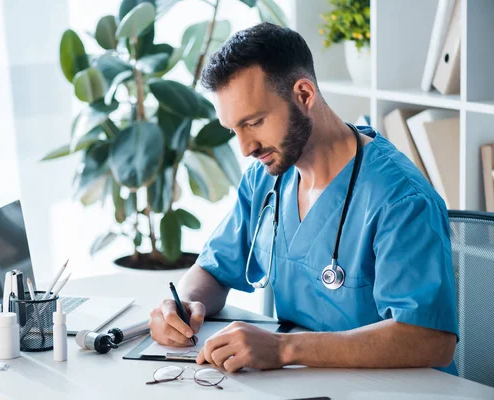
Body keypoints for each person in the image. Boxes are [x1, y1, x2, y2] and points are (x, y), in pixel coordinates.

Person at [149, 22, 458, 375]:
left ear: (304, 95)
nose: (246, 148)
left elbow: (431, 340)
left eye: (255, 122)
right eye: (234, 130)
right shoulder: (264, 180)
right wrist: (185, 304)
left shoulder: (400, 199)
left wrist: (285, 349)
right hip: (304, 384)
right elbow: (215, 270)